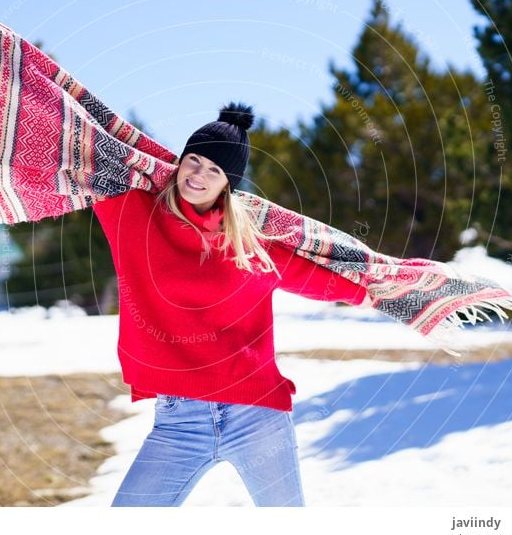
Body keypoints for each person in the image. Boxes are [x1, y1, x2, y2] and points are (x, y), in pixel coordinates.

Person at [91, 101, 371, 507]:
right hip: (179, 422)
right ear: (180, 161)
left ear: (228, 183)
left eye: (215, 170)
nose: (199, 175)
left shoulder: (252, 243)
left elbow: (324, 280)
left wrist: (382, 291)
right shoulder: (133, 213)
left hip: (257, 415)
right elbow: (88, 156)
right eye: (194, 160)